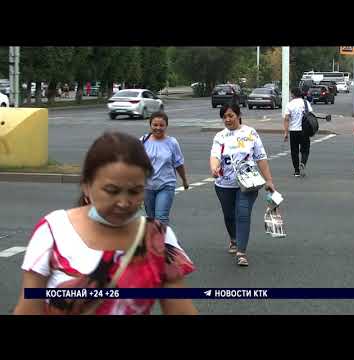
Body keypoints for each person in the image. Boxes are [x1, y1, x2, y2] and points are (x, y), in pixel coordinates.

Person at [13, 132, 197, 315]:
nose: (124, 202)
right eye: (112, 191)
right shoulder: (53, 231)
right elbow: (28, 309)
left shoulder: (158, 238)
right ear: (86, 185)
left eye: (135, 192)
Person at [210, 103, 276, 267]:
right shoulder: (220, 136)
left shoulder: (250, 133)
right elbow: (215, 156)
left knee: (243, 214)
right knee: (229, 216)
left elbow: (261, 158)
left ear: (238, 115)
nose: (227, 119)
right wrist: (214, 168)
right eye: (224, 117)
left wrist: (269, 180)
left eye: (231, 115)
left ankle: (241, 251)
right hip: (224, 184)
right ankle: (233, 238)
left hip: (248, 183)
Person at [141, 111, 189, 225]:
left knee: (161, 218)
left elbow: (178, 163)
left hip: (166, 185)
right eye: (155, 125)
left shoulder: (172, 142)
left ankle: (162, 242)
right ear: (150, 125)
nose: (158, 128)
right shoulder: (143, 141)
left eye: (161, 125)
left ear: (166, 126)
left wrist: (184, 180)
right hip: (147, 186)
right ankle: (154, 241)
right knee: (151, 219)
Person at [283, 87, 313, 177]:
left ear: (293, 94)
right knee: (305, 149)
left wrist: (286, 133)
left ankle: (296, 171)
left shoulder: (290, 104)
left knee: (294, 151)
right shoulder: (306, 103)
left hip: (293, 131)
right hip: (304, 130)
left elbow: (286, 119)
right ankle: (303, 162)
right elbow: (311, 115)